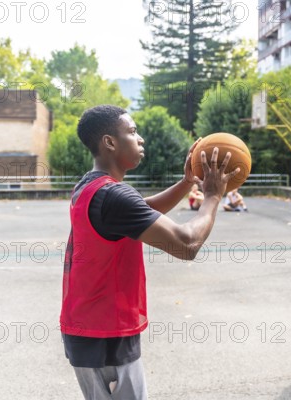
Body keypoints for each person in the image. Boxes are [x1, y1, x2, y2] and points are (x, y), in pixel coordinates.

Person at [59, 105, 239, 400]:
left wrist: (186, 183)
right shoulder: (114, 195)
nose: (140, 139)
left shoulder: (90, 186)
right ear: (109, 142)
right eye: (132, 132)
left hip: (87, 330)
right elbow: (187, 243)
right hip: (106, 337)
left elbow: (142, 211)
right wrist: (213, 197)